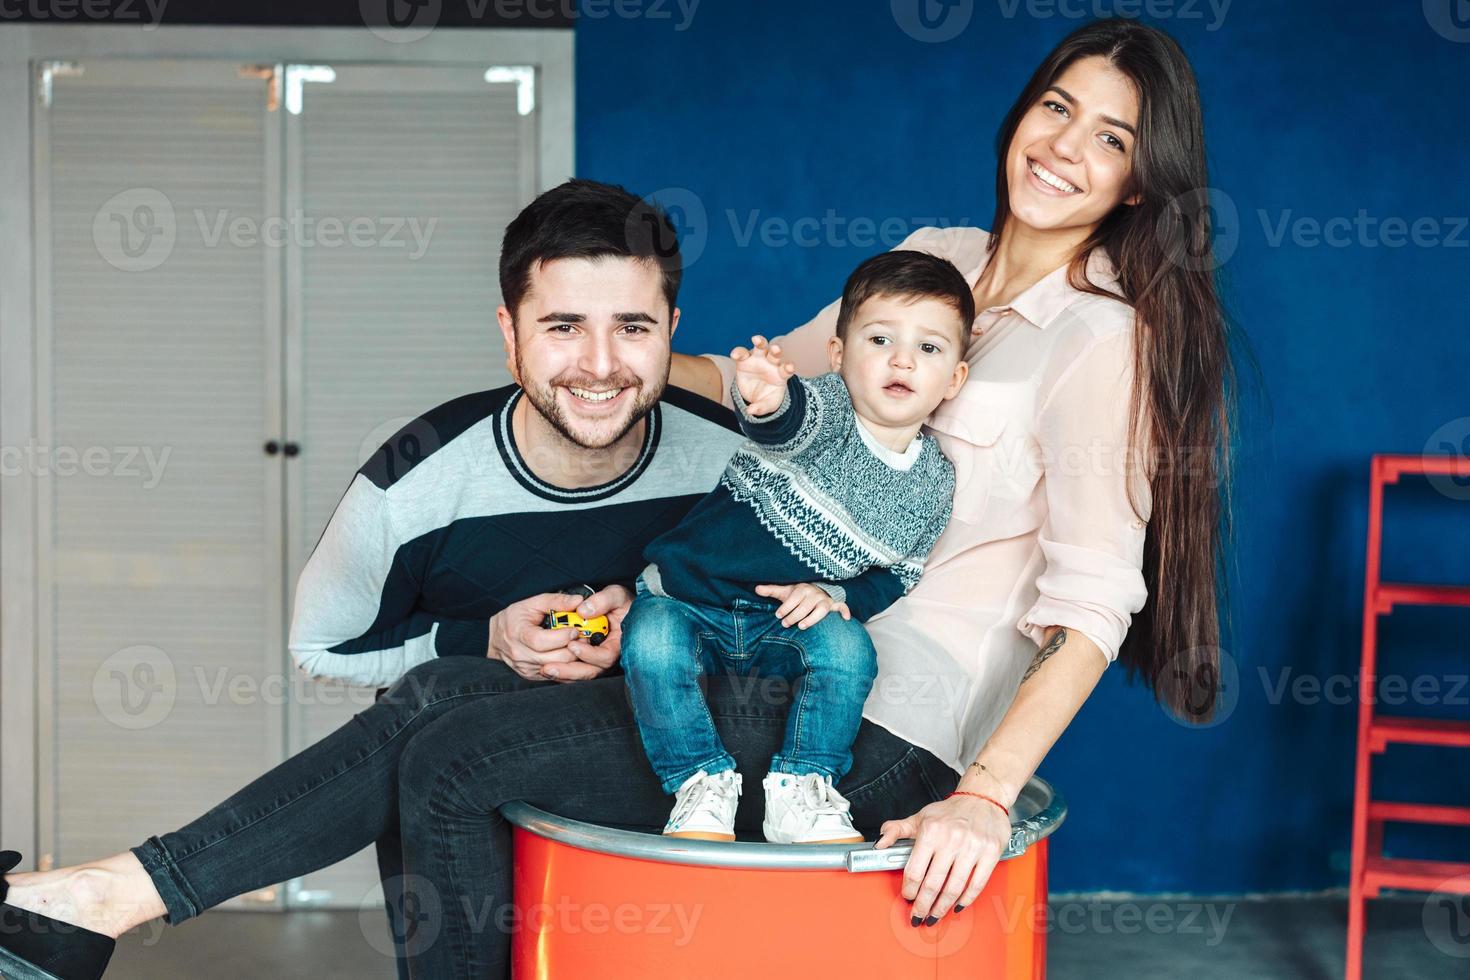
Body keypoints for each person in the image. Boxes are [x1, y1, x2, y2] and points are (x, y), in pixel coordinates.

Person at [4, 15, 1238, 979]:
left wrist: (982, 790)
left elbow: (1092, 604)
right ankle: (101, 897)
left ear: (1141, 179)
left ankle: (107, 897)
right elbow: (775, 377)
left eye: (1112, 136)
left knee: (449, 754)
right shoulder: (943, 261)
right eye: (1057, 104)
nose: (1066, 144)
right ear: (1020, 112)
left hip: (873, 735)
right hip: (749, 664)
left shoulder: (1102, 342)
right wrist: (622, 352)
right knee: (441, 692)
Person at [621, 249, 971, 845]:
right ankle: (700, 784)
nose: (903, 360)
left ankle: (803, 787)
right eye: (880, 339)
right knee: (650, 644)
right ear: (838, 355)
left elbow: (897, 574)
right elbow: (785, 423)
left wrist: (835, 594)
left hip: (782, 622)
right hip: (691, 596)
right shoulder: (828, 408)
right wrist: (765, 398)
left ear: (955, 378)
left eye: (929, 349)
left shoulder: (935, 481)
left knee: (848, 650)